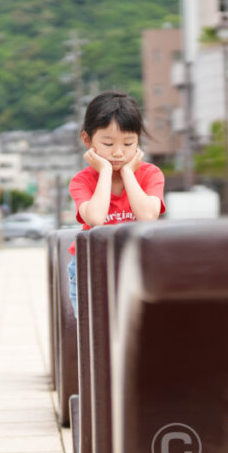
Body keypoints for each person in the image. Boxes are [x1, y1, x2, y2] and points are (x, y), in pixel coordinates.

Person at [67, 90, 165, 318]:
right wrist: (105, 172)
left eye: (129, 143)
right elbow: (96, 219)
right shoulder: (81, 181)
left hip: (136, 263)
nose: (119, 152)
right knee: (96, 336)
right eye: (108, 143)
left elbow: (148, 217)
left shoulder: (151, 174)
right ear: (87, 140)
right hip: (91, 267)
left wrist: (129, 174)